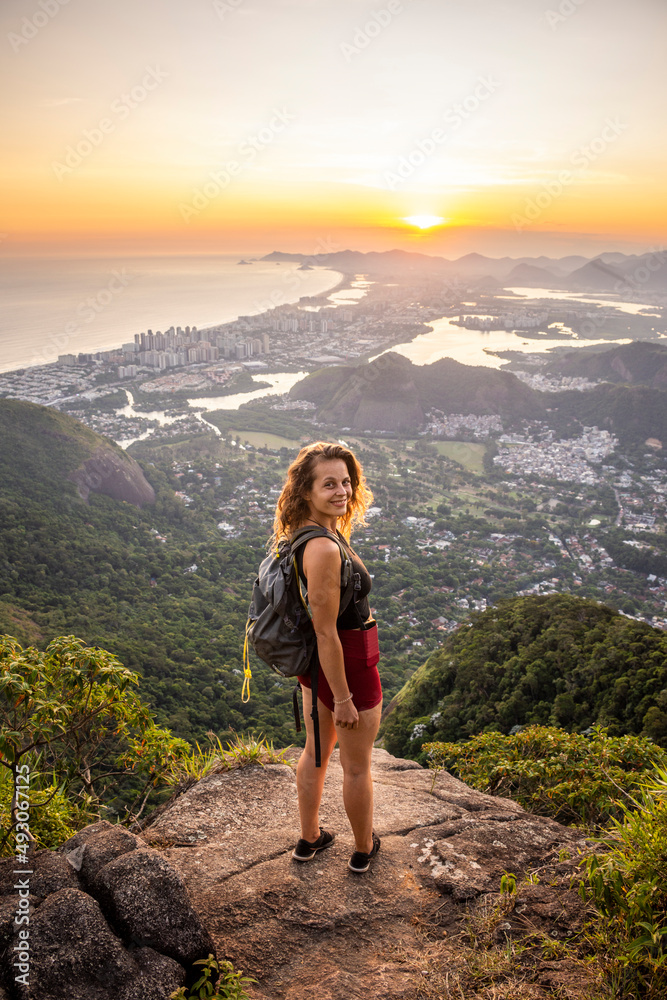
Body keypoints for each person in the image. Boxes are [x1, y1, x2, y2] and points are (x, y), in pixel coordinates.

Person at [270, 441, 382, 873]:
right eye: (329, 484)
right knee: (356, 766)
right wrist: (343, 697)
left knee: (316, 751)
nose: (341, 491)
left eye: (346, 482)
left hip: (321, 667)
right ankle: (361, 849)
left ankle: (309, 838)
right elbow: (325, 629)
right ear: (307, 492)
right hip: (346, 665)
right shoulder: (323, 548)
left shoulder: (311, 535)